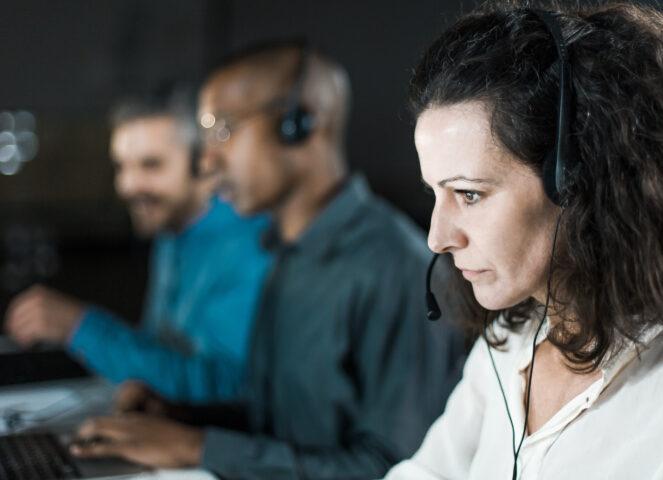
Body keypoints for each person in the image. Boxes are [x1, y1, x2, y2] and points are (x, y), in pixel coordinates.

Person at [69, 41, 466, 478]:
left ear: (299, 123)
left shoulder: (394, 268)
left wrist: (201, 448)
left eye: (223, 129)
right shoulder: (285, 253)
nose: (207, 159)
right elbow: (284, 430)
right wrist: (181, 417)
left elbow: (394, 469)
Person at [384, 2, 663, 479]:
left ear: (574, 180)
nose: (438, 238)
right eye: (434, 194)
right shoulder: (506, 346)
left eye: (469, 194)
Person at [4, 88, 272, 403]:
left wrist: (80, 326)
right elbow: (162, 349)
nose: (128, 186)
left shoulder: (246, 245)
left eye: (150, 165)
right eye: (121, 167)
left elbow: (225, 388)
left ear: (204, 163)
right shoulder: (171, 231)